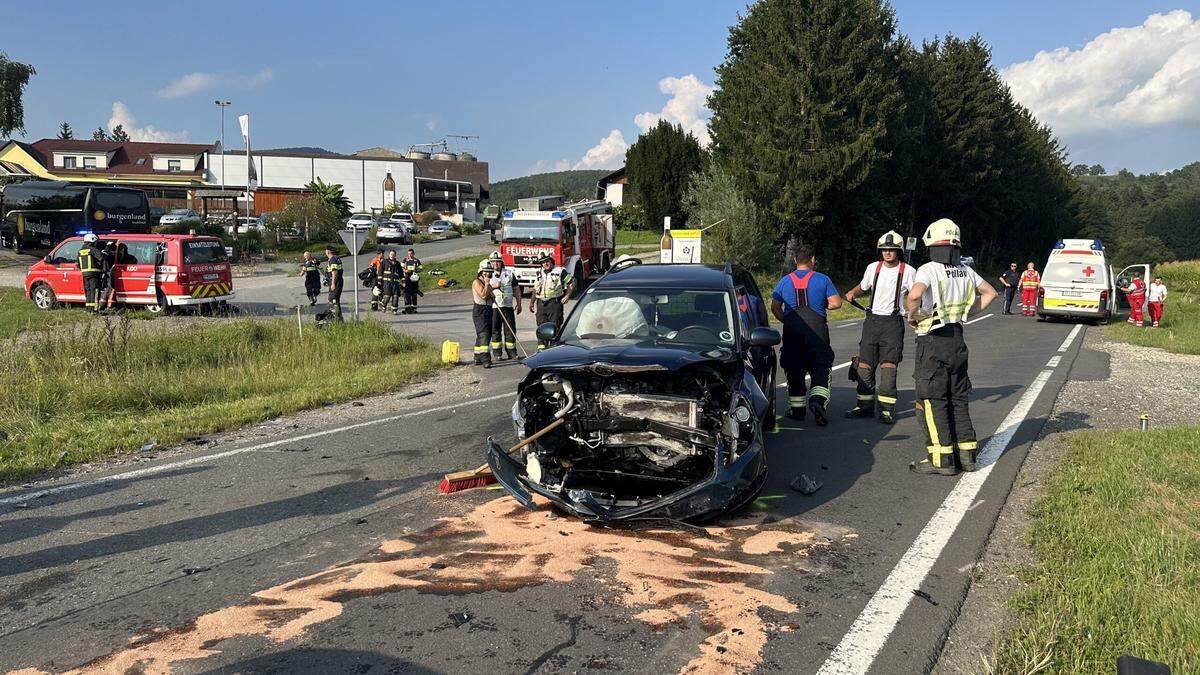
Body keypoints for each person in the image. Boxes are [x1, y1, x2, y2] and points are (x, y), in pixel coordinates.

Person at [906, 218, 997, 476]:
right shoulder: (966, 269)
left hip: (932, 342)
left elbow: (914, 295)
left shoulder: (929, 269)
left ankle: (941, 460)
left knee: (933, 400)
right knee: (958, 399)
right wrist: (968, 312)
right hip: (957, 339)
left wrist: (913, 315)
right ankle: (967, 456)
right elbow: (990, 292)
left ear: (933, 244)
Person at [843, 230, 916, 424]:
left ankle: (886, 410)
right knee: (865, 365)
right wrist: (853, 292)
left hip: (893, 323)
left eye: (891, 250)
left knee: (888, 366)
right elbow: (863, 286)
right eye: (884, 250)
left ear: (898, 251)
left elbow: (915, 295)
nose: (888, 253)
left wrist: (914, 313)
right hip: (872, 321)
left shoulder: (908, 271)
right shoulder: (872, 268)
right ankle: (864, 406)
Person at [769, 245, 841, 425]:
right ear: (812, 260)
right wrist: (822, 305)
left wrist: (786, 320)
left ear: (794, 260)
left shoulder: (785, 281)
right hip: (817, 333)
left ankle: (797, 410)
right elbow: (836, 303)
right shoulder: (823, 279)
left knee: (794, 370)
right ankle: (817, 402)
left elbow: (774, 307)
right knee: (820, 368)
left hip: (793, 334)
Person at [530, 254, 574, 350]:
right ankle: (541, 350)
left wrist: (567, 296)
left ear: (551, 260)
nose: (545, 264)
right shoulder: (538, 272)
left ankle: (553, 349)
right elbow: (535, 288)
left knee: (555, 327)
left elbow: (571, 283)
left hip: (555, 303)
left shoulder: (560, 271)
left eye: (547, 261)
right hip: (541, 303)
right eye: (543, 262)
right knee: (541, 328)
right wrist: (532, 303)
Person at [487, 251, 521, 360]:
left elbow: (516, 289)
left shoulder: (509, 273)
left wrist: (519, 303)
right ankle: (497, 354)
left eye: (498, 262)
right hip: (494, 307)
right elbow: (484, 291)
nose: (496, 264)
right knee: (495, 330)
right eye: (493, 262)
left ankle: (512, 352)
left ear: (502, 262)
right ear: (490, 263)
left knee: (510, 330)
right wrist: (493, 286)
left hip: (507, 306)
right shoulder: (487, 275)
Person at [471, 259, 495, 367]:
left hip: (488, 310)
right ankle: (486, 359)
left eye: (490, 272)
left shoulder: (487, 284)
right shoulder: (477, 282)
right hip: (479, 311)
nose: (489, 274)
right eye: (486, 272)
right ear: (481, 272)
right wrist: (487, 284)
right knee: (483, 334)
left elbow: (492, 297)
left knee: (484, 334)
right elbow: (483, 295)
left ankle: (477, 356)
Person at [77, 233, 106, 313]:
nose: (96, 243)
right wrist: (105, 252)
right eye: (95, 242)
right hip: (94, 274)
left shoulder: (80, 251)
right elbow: (101, 257)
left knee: (89, 291)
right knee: (95, 290)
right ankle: (95, 309)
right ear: (92, 241)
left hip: (85, 274)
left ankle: (89, 309)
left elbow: (77, 265)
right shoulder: (92, 249)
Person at [324, 247, 344, 322]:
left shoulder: (333, 259)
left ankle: (336, 319)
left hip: (336, 282)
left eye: (326, 251)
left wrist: (333, 283)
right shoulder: (336, 258)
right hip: (336, 281)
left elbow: (334, 272)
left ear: (328, 252)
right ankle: (339, 319)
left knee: (333, 300)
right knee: (335, 301)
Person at [401, 248, 423, 314]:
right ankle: (408, 309)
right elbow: (401, 268)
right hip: (407, 279)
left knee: (414, 293)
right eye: (408, 254)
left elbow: (421, 269)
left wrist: (416, 270)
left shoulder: (416, 260)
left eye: (411, 254)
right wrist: (405, 270)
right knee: (407, 293)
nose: (410, 255)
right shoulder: (405, 260)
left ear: (413, 254)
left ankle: (414, 309)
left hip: (414, 279)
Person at [100, 240, 119, 312]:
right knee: (109, 289)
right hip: (109, 273)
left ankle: (103, 305)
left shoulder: (105, 253)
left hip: (107, 273)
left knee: (106, 289)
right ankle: (108, 306)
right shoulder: (112, 253)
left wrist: (107, 247)